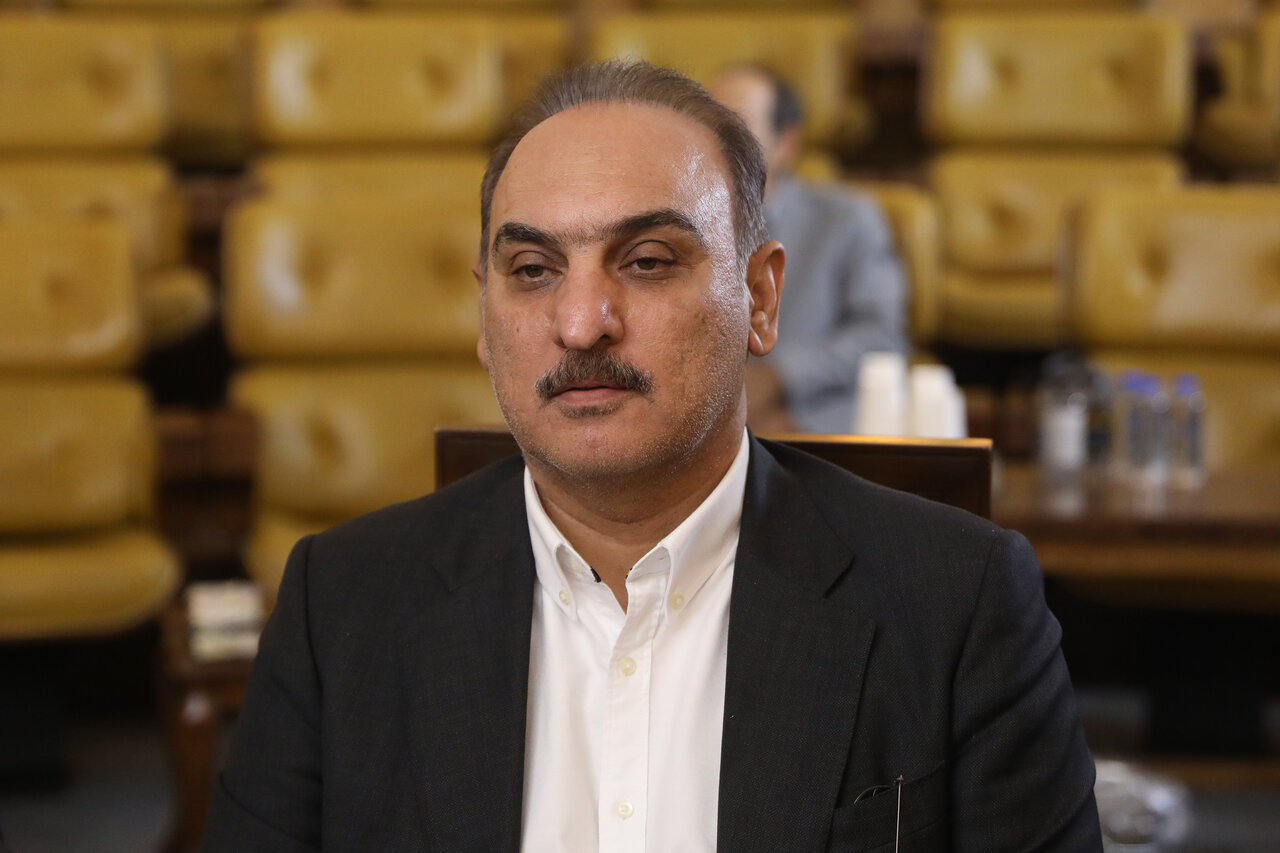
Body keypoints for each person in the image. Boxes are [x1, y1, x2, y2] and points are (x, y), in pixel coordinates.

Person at [203, 60, 1101, 851]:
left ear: (760, 298)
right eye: (533, 270)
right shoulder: (339, 605)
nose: (581, 322)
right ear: (484, 315)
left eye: (646, 261)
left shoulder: (958, 601)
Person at [711, 65, 909, 435]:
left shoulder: (847, 219)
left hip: (815, 418)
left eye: (737, 126)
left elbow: (882, 339)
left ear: (787, 142)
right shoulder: (679, 227)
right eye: (707, 125)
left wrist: (780, 377)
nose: (716, 141)